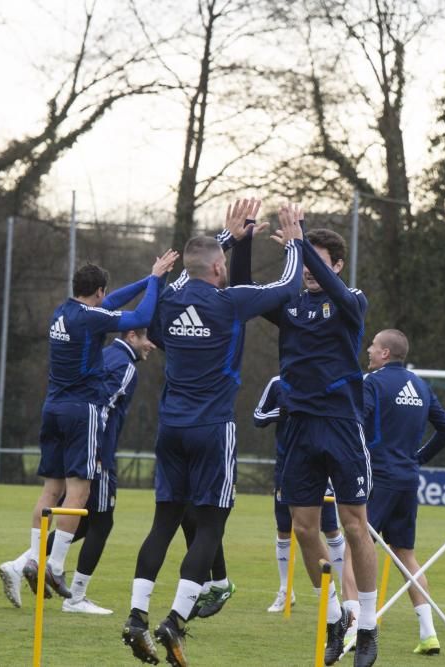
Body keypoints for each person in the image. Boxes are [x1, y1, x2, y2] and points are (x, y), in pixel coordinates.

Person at [122, 200, 303, 667]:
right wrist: (296, 243)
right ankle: (174, 622)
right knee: (210, 525)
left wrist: (228, 237)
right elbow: (284, 287)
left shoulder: (169, 300)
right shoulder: (229, 302)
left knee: (163, 523)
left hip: (172, 428)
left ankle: (137, 617)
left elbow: (182, 282)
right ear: (220, 269)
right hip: (212, 428)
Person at [0, 251, 176, 608]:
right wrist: (156, 282)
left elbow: (110, 302)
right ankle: (56, 566)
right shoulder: (91, 320)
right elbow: (141, 315)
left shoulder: (61, 313)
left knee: (51, 491)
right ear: (96, 291)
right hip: (83, 411)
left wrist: (150, 276)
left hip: (52, 408)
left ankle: (35, 558)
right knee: (79, 493)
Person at [260, 222, 379, 667]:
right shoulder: (290, 304)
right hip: (297, 429)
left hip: (342, 424)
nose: (309, 271)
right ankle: (334, 619)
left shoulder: (352, 301)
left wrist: (301, 242)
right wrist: (242, 244)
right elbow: (241, 289)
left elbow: (335, 288)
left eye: (319, 261)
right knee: (304, 529)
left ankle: (367, 626)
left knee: (353, 525)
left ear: (338, 266)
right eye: (305, 262)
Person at [0, 328, 155, 613]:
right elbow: (101, 408)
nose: (152, 346)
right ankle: (75, 598)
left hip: (76, 440)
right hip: (97, 452)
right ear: (132, 336)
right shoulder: (125, 365)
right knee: (102, 522)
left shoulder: (102, 355)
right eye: (148, 339)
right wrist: (95, 452)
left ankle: (20, 564)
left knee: (78, 520)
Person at [362, 329, 445, 655]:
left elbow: (357, 423)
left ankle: (354, 629)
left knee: (356, 546)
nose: (369, 350)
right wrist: (419, 458)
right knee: (405, 555)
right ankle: (428, 633)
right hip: (407, 478)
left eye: (373, 346)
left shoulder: (371, 383)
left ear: (386, 353)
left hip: (379, 477)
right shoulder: (421, 385)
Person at [253, 375, 348, 614]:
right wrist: (279, 413)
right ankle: (286, 591)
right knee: (284, 529)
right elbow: (258, 416)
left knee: (330, 528)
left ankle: (347, 593)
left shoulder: (326, 381)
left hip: (320, 466)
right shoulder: (277, 383)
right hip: (286, 466)